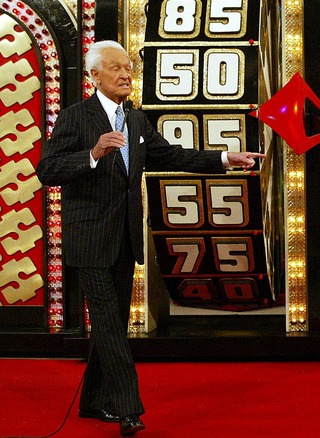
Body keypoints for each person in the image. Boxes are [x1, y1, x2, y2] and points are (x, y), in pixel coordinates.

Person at [36, 40, 264, 435]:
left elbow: (173, 156)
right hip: (88, 237)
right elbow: (48, 169)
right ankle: (127, 409)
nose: (126, 75)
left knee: (112, 324)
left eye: (128, 68)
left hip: (124, 237)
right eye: (116, 68)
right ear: (94, 76)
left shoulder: (137, 120)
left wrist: (226, 158)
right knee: (108, 324)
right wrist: (92, 154)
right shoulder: (77, 117)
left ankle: (92, 401)